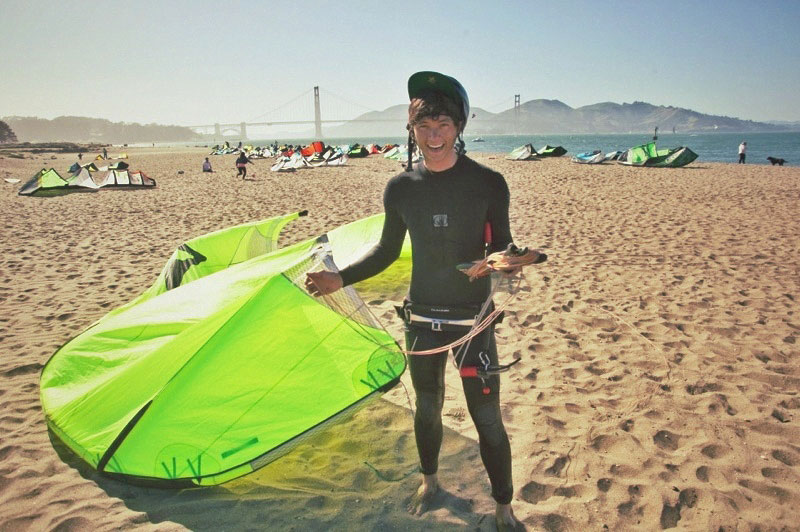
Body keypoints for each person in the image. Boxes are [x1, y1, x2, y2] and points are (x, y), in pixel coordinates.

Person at [305, 71, 525, 531]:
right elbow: (386, 251)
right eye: (424, 127)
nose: (434, 135)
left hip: (474, 323)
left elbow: (501, 246)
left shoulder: (489, 183)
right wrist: (337, 278)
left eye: (443, 124)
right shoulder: (401, 188)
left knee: (486, 419)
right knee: (427, 408)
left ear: (459, 126)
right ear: (412, 130)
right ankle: (431, 482)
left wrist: (504, 262)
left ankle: (504, 508)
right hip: (421, 318)